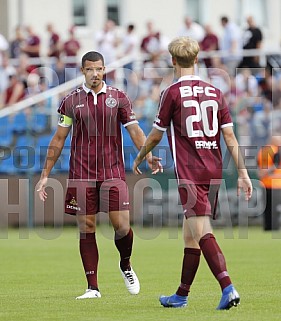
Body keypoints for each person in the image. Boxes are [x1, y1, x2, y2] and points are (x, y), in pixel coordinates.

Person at [133, 37, 253, 310]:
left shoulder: (171, 93)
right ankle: (181, 295)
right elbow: (231, 137)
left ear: (173, 61)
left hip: (190, 171)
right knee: (190, 234)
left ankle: (228, 287)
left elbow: (154, 135)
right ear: (197, 60)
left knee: (201, 231)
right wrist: (243, 173)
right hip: (214, 168)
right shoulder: (215, 92)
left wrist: (141, 156)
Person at [36, 51, 162, 300]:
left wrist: (147, 155)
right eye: (91, 69)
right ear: (83, 71)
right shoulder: (70, 102)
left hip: (113, 171)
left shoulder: (119, 98)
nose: (96, 73)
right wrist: (44, 174)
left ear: (105, 70)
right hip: (82, 174)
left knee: (122, 226)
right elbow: (59, 138)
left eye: (100, 69)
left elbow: (135, 131)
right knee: (87, 227)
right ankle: (92, 287)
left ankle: (125, 264)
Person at [257, 135, 281, 231]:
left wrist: (262, 173)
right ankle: (274, 227)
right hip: (276, 183)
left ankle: (267, 227)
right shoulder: (276, 151)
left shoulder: (262, 151)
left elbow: (259, 167)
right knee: (275, 208)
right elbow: (275, 165)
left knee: (267, 208)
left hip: (265, 183)